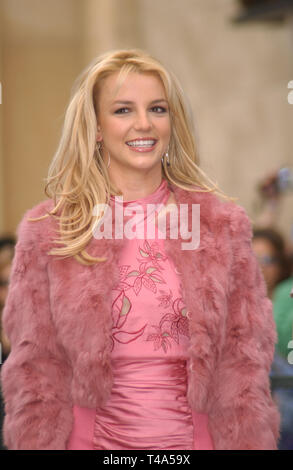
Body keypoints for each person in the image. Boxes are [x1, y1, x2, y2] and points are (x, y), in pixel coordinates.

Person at [0, 48, 280, 450]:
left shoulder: (221, 227)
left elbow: (244, 364)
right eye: (123, 110)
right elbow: (35, 372)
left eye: (158, 109)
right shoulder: (51, 233)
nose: (144, 123)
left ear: (172, 121)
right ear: (96, 127)